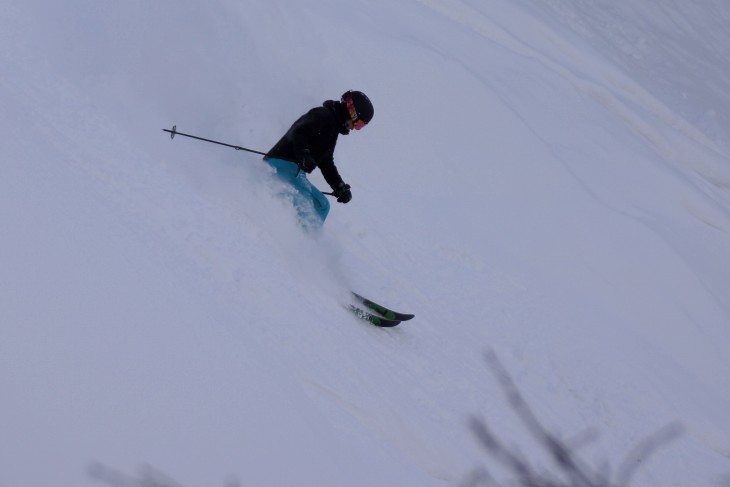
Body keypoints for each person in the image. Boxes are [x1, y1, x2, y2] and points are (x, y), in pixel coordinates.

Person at [264, 90, 374, 229]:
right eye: (358, 124)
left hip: (296, 172)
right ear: (352, 112)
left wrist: (339, 187)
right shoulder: (322, 115)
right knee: (309, 207)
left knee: (322, 205)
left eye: (360, 127)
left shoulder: (333, 129)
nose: (355, 128)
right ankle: (293, 240)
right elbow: (300, 132)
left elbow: (326, 162)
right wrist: (304, 154)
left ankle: (307, 240)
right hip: (280, 164)